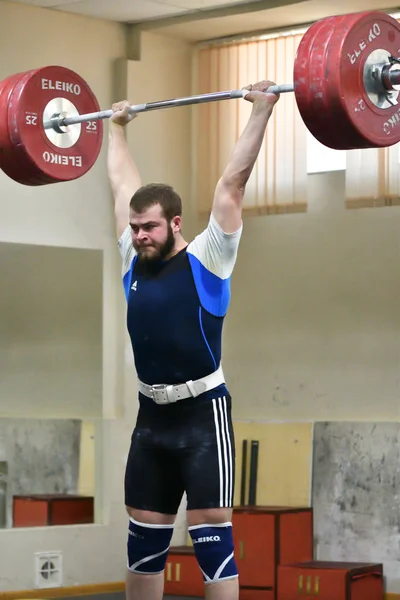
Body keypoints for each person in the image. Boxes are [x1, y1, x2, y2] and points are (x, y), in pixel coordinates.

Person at [107, 80, 280, 600]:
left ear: (175, 223)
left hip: (204, 412)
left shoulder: (209, 255)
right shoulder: (131, 259)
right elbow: (121, 185)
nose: (138, 235)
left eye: (149, 228)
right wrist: (116, 128)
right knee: (144, 541)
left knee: (211, 537)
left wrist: (263, 110)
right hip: (151, 416)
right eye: (135, 228)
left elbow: (233, 183)